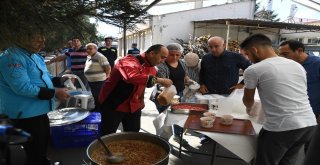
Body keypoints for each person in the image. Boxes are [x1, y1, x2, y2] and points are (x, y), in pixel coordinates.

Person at [240, 33, 317, 165]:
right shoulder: (297, 65)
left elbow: (248, 100)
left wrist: (249, 108)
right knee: (287, 161)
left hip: (282, 127)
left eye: (247, 54)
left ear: (255, 50)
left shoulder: (254, 69)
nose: (248, 59)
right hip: (308, 124)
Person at [0, 32, 70, 165]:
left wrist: (60, 79)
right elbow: (22, 87)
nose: (43, 45)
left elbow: (46, 77)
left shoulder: (35, 56)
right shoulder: (11, 57)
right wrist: (54, 92)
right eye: (39, 41)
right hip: (24, 115)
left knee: (41, 144)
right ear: (23, 38)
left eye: (43, 41)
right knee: (30, 151)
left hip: (39, 112)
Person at [98, 44, 173, 135]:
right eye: (162, 57)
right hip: (113, 103)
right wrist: (160, 80)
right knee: (107, 134)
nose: (163, 61)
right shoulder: (128, 60)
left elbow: (142, 86)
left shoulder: (152, 69)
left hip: (134, 105)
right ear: (152, 53)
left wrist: (141, 100)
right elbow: (131, 77)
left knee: (133, 134)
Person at [155, 43, 195, 145]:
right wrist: (167, 89)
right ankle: (163, 142)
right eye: (171, 55)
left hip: (179, 94)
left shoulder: (181, 63)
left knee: (177, 117)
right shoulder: (161, 65)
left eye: (177, 55)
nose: (175, 57)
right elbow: (162, 83)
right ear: (166, 54)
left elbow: (184, 76)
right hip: (165, 96)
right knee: (166, 119)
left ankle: (177, 136)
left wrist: (189, 81)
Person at [279, 40, 320, 120]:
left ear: (299, 51)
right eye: (281, 55)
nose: (282, 58)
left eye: (285, 54)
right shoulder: (288, 65)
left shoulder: (317, 64)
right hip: (291, 112)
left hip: (313, 113)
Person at [84, 43, 111, 112]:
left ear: (95, 49)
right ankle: (97, 109)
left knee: (99, 96)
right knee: (95, 96)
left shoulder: (100, 56)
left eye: (90, 49)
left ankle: (101, 111)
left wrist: (105, 78)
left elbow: (108, 68)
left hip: (99, 81)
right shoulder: (89, 57)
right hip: (92, 81)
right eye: (87, 49)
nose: (88, 50)